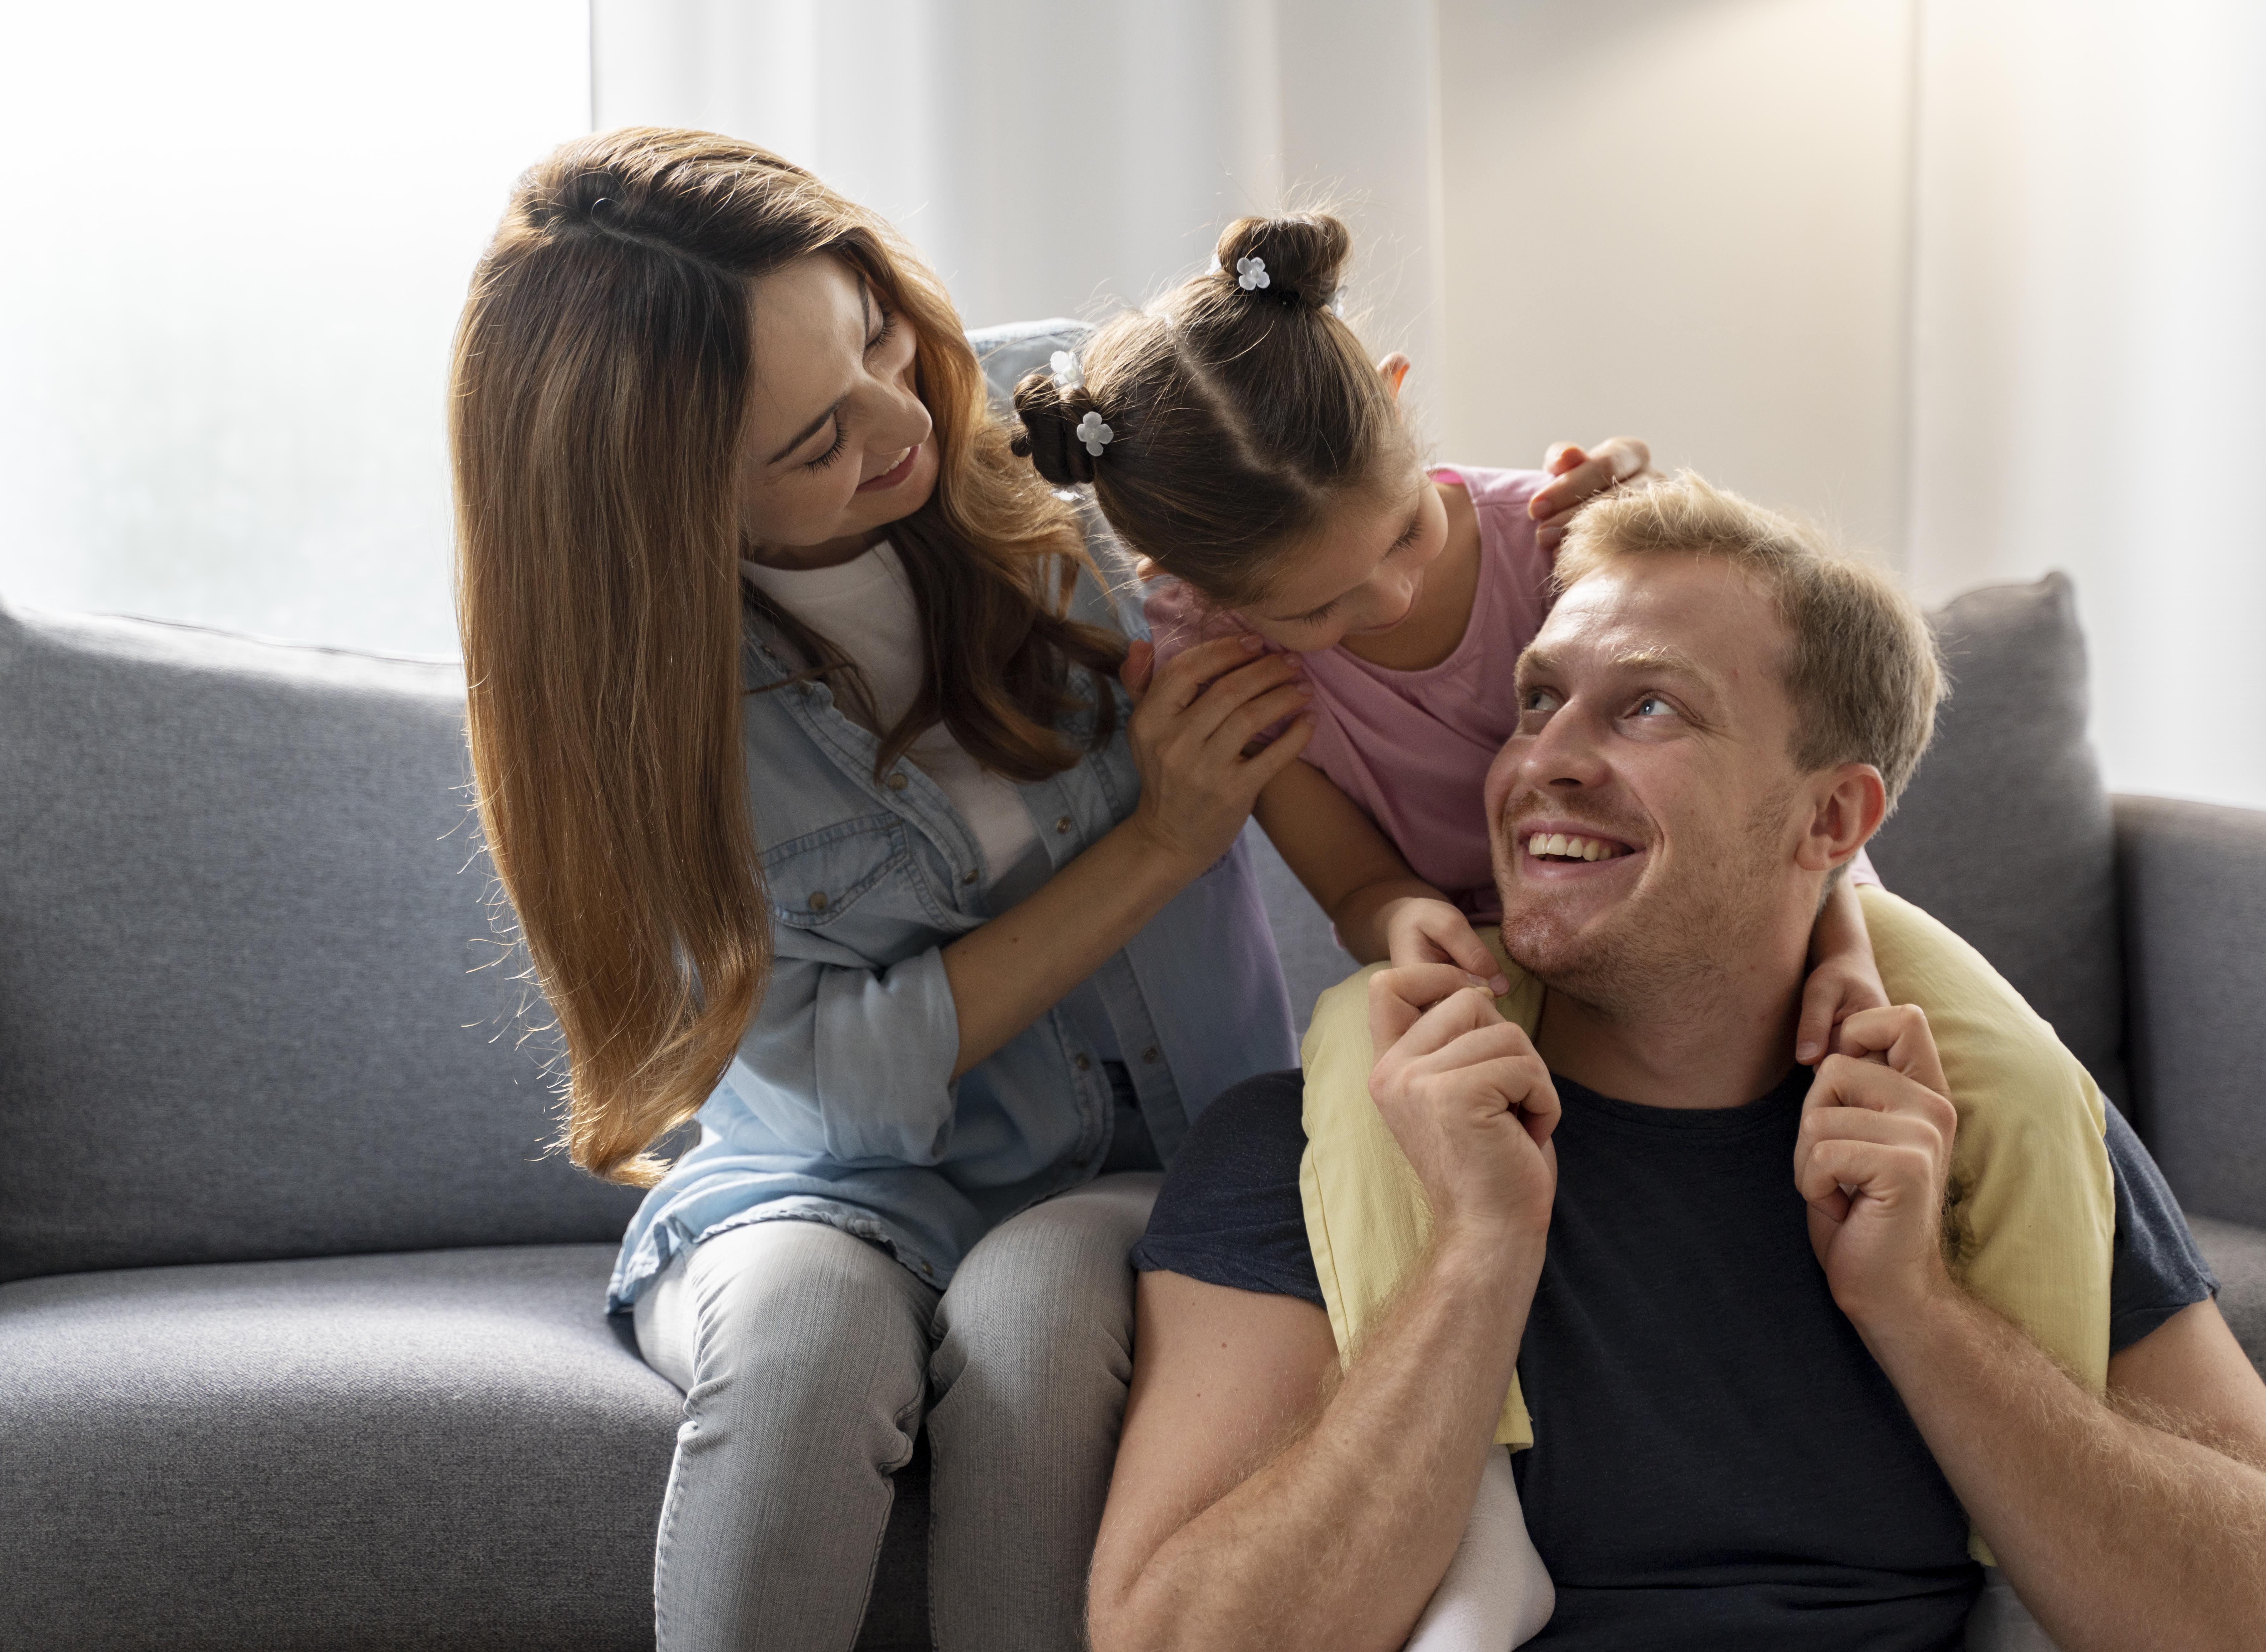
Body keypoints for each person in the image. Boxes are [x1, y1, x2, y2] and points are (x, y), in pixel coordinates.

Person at [448, 130, 1652, 1649]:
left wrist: (1611, 547)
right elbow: (824, 1085)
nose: (900, 421)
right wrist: (1158, 842)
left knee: (1033, 1317)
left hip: (1141, 1152)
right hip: (820, 1178)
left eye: (878, 331)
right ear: (671, 504)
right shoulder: (636, 699)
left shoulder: (1068, 441)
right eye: (814, 442)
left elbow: (1357, 511)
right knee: (807, 1341)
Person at [1010, 211, 2118, 1645]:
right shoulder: (1221, 658)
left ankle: (2033, 1504)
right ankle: (1464, 1497)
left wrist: (1838, 948)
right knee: (1360, 1060)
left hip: (1792, 898)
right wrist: (1414, 927)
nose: (1390, 597)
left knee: (2020, 1078)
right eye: (1326, 610)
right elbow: (1356, 886)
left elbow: (1770, 726)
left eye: (1402, 538)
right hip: (1488, 934)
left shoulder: (1544, 532)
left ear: (1403, 405)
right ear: (1211, 599)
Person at [1088, 478, 2266, 1651]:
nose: (1541, 762)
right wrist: (1478, 1255)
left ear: (1831, 820)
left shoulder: (1989, 1134)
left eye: (1646, 706)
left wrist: (1915, 1305)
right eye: (1536, 699)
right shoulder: (1307, 1145)